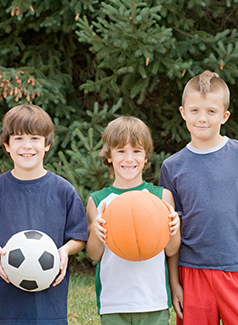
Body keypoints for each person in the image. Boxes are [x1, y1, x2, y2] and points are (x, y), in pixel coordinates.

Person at [159, 70, 238, 325]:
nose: (202, 118)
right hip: (192, 271)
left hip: (234, 267)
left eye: (211, 112)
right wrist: (175, 283)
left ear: (224, 116)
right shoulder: (172, 167)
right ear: (183, 112)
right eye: (194, 111)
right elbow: (172, 231)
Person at [86, 116, 180, 325]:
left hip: (153, 300)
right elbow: (94, 254)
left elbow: (171, 250)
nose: (129, 159)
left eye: (136, 151)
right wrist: (95, 230)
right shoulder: (98, 201)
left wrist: (175, 228)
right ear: (109, 156)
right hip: (114, 301)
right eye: (121, 151)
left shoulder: (161, 197)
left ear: (146, 157)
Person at [0, 104, 88, 325]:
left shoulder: (63, 190)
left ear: (47, 144)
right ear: (6, 145)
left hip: (49, 302)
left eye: (35, 138)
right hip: (4, 300)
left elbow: (78, 235)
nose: (27, 146)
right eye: (18, 138)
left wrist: (65, 251)